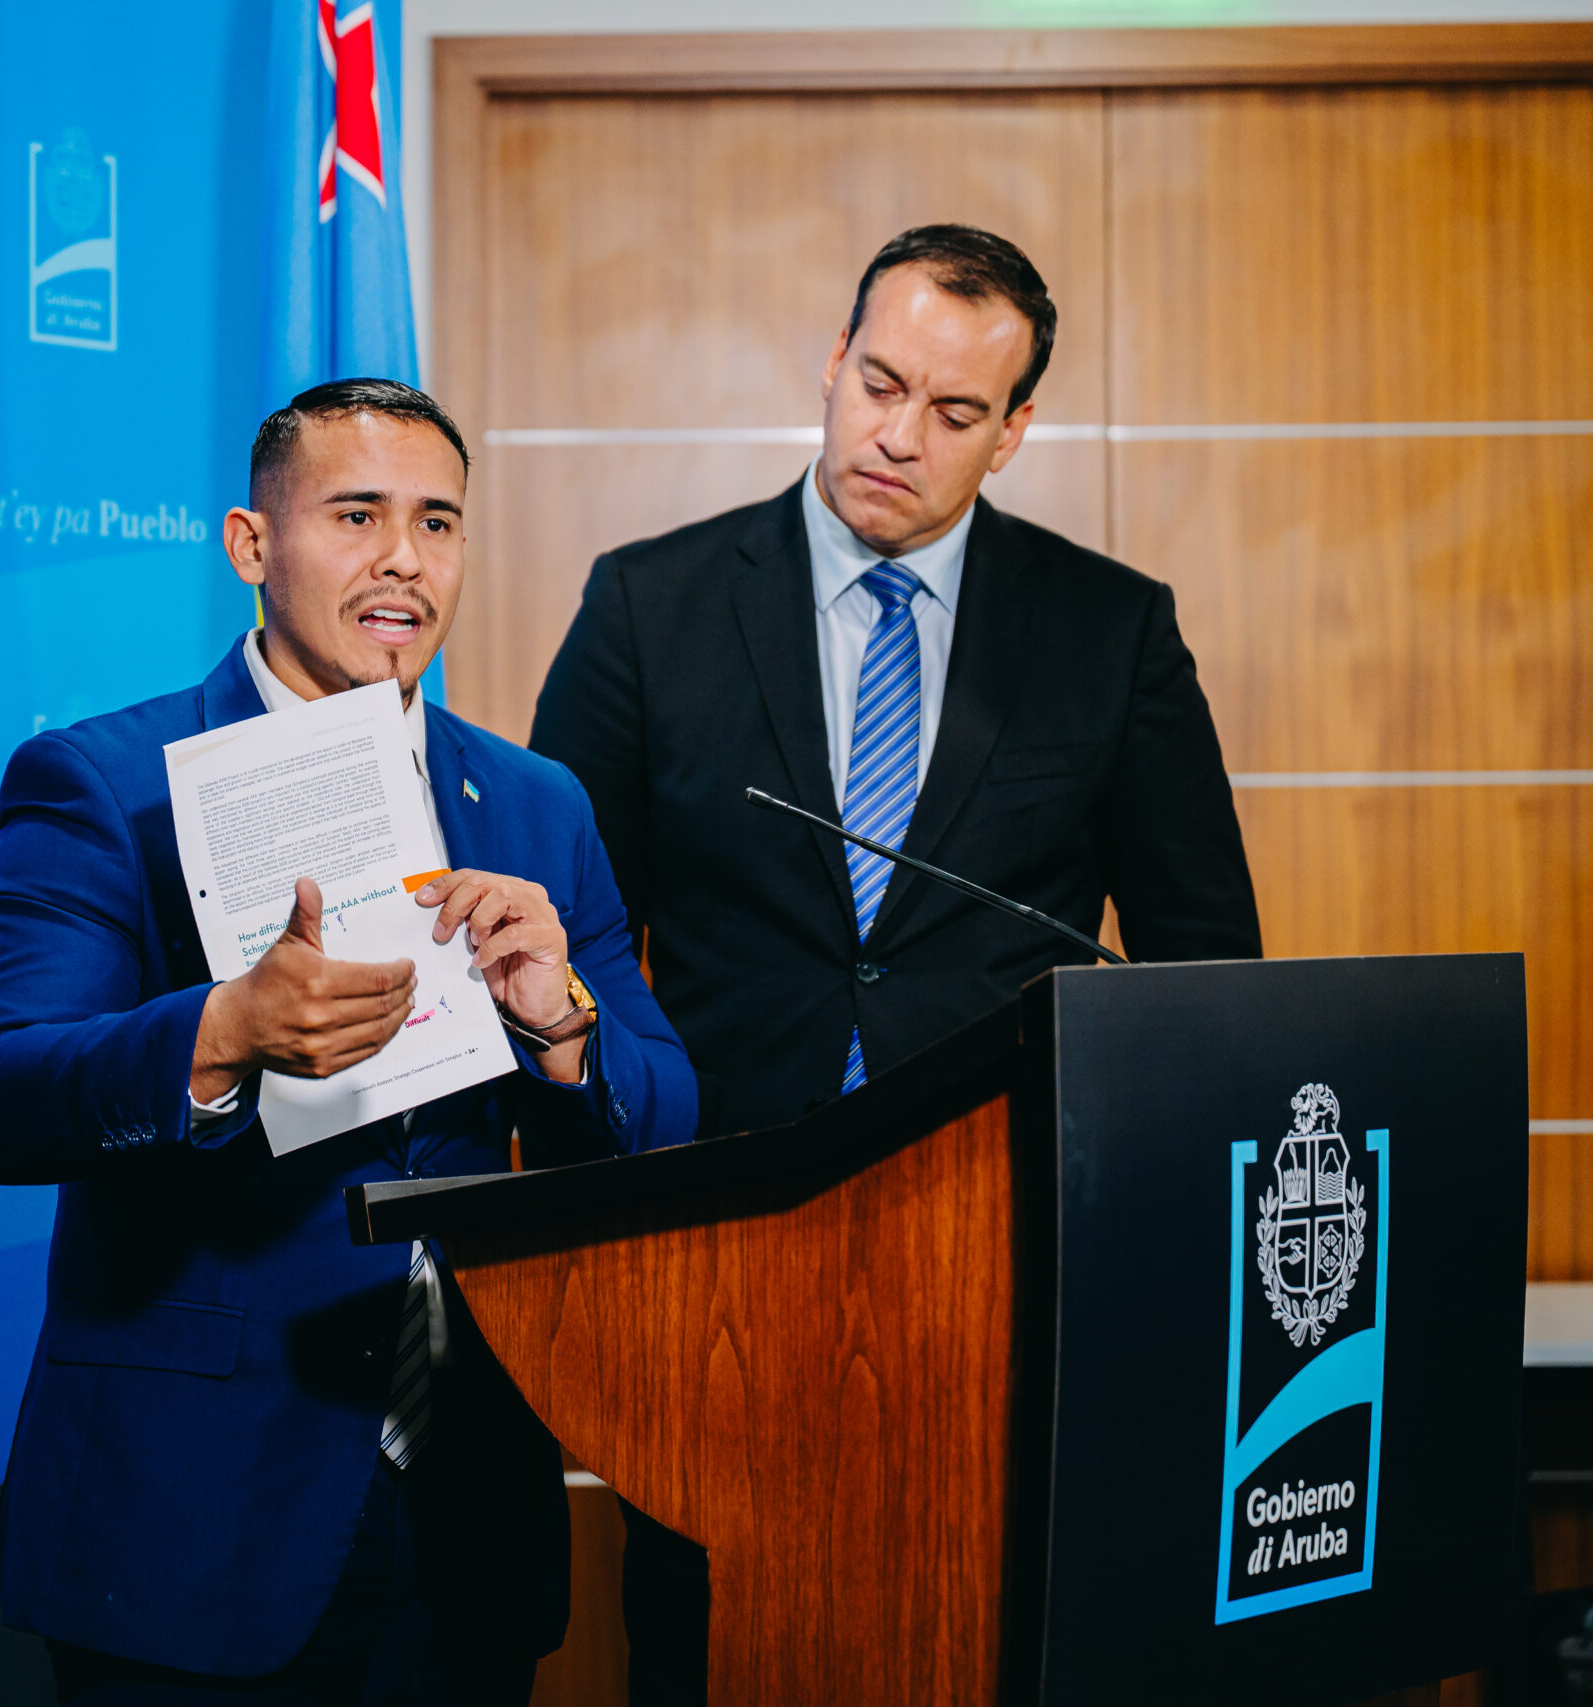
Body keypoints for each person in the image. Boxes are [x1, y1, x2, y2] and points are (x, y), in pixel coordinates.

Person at [528, 223, 1261, 1704]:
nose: (899, 435)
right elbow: (562, 937)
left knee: (976, 1639)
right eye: (880, 383)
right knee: (711, 1645)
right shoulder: (648, 605)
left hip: (997, 1256)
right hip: (715, 1247)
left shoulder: (1111, 630)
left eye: (955, 410)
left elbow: (1207, 974)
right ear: (832, 361)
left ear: (1015, 431)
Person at [0, 378, 697, 1705]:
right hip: (191, 1514)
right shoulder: (106, 781)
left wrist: (561, 1023)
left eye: (437, 524)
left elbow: (668, 1110)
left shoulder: (536, 802)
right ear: (252, 544)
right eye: (357, 515)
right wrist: (221, 1034)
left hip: (470, 1509)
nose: (404, 557)